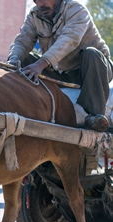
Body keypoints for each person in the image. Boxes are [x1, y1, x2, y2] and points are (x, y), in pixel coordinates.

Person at [7, 0, 113, 132]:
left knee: (91, 53)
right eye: (37, 0)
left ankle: (92, 115)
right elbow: (23, 41)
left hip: (92, 71)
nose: (41, 4)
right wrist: (12, 62)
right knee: (23, 61)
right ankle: (21, 104)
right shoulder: (34, 16)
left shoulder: (76, 10)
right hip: (61, 72)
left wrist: (40, 64)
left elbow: (69, 40)